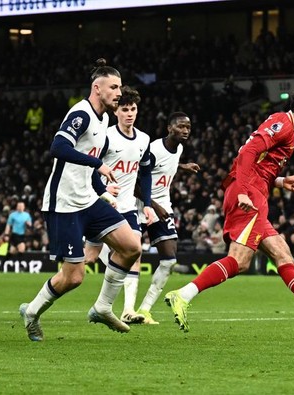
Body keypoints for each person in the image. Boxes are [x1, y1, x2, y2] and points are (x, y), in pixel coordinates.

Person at [164, 80, 294, 332]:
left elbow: (259, 164)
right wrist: (244, 192)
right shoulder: (284, 125)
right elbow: (247, 154)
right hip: (249, 195)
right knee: (240, 261)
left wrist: (280, 180)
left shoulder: (288, 130)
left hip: (255, 191)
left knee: (282, 253)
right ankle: (184, 294)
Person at [18, 59, 142, 341]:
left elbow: (88, 165)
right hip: (64, 204)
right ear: (96, 88)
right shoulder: (82, 114)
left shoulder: (106, 119)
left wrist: (100, 189)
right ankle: (32, 312)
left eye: (120, 87)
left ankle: (102, 307)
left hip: (88, 200)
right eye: (113, 87)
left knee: (131, 246)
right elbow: (58, 147)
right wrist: (97, 164)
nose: (119, 92)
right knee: (74, 277)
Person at [82, 86, 156, 324]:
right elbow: (89, 166)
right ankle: (47, 294)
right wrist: (101, 190)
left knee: (135, 250)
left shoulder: (144, 140)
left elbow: (145, 172)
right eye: (125, 109)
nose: (130, 113)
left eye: (133, 109)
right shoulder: (106, 137)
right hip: (102, 205)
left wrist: (146, 204)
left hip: (127, 207)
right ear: (117, 112)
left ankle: (128, 310)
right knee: (87, 260)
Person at [127, 111, 200, 325]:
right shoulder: (154, 149)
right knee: (130, 256)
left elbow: (166, 166)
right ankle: (123, 308)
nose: (185, 130)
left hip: (161, 206)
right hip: (139, 205)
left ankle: (145, 310)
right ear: (169, 128)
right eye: (181, 126)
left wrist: (182, 166)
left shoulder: (179, 149)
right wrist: (153, 205)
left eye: (188, 127)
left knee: (169, 260)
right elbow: (134, 182)